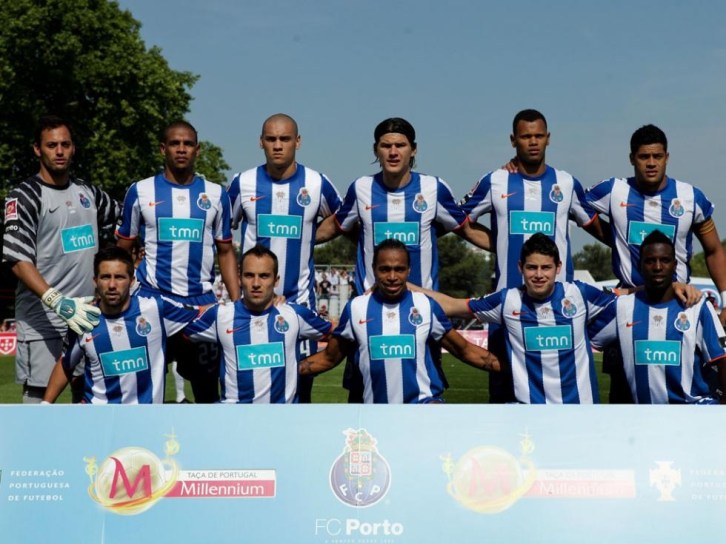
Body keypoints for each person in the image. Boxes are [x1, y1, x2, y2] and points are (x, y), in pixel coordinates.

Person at [315, 117, 493, 401]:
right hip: (369, 316)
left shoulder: (433, 189)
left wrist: (513, 250)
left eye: (400, 145)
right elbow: (334, 227)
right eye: (386, 145)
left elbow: (467, 229)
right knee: (364, 401)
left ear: (414, 149)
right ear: (376, 150)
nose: (393, 152)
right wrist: (295, 239)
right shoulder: (361, 189)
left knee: (424, 395)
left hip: (421, 316)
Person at [462, 109, 607, 403]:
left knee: (567, 394)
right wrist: (500, 244)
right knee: (505, 398)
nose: (532, 142)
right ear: (513, 140)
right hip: (508, 310)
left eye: (538, 136)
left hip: (561, 310)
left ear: (548, 139)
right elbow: (460, 222)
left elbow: (598, 227)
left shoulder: (566, 184)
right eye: (526, 136)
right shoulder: (496, 181)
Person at [586, 124, 726, 401]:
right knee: (626, 396)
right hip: (629, 306)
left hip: (680, 304)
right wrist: (614, 238)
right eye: (643, 157)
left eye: (657, 156)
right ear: (632, 158)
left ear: (667, 157)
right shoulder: (614, 191)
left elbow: (713, 250)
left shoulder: (690, 198)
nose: (651, 163)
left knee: (689, 387)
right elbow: (573, 205)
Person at [116, 120, 239, 403]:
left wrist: (237, 303)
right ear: (163, 149)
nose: (181, 149)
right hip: (153, 302)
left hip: (201, 307)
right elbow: (123, 249)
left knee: (207, 393)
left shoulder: (216, 194)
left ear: (197, 149)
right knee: (146, 391)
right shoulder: (140, 191)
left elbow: (225, 251)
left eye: (187, 144)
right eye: (174, 143)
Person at [415, 234, 616, 403]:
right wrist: (406, 288)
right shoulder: (507, 301)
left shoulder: (580, 294)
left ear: (558, 267)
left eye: (546, 267)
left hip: (580, 411)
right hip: (528, 415)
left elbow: (623, 305)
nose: (539, 275)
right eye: (532, 267)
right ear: (520, 267)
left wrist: (593, 338)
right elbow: (452, 305)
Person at [2, 115, 119, 403]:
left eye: (65, 145)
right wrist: (58, 302)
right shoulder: (24, 196)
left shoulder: (88, 193)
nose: (59, 151)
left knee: (89, 398)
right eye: (51, 145)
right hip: (44, 320)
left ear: (73, 148)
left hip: (88, 316)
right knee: (40, 403)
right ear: (37, 149)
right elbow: (17, 259)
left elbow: (126, 220)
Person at [226, 113, 342, 402]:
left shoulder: (316, 183)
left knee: (301, 388)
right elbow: (223, 234)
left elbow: (342, 219)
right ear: (261, 142)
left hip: (299, 304)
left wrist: (308, 237)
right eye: (271, 139)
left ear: (297, 142)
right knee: (248, 384)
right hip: (252, 308)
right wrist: (235, 296)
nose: (278, 145)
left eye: (285, 139)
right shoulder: (243, 182)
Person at [299, 240, 499, 404]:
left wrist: (509, 368)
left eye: (399, 269)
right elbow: (329, 357)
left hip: (423, 408)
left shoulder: (426, 306)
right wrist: (287, 369)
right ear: (374, 270)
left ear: (409, 271)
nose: (392, 276)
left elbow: (464, 350)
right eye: (385, 269)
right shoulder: (356, 308)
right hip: (375, 413)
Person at [42, 247, 204, 404]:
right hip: (99, 416)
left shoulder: (156, 308)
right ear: (95, 281)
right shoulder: (84, 319)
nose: (112, 285)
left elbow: (202, 313)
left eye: (119, 277)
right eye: (105, 277)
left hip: (147, 418)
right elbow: (65, 364)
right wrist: (45, 406)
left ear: (132, 281)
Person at [590, 231, 726, 404]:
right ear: (639, 266)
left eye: (665, 260)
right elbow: (585, 343)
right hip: (644, 415)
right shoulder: (622, 307)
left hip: (692, 412)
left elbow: (722, 359)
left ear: (674, 265)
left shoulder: (696, 306)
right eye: (650, 261)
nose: (657, 267)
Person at [184, 245, 332, 403]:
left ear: (276, 280)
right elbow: (179, 335)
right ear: (239, 278)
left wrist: (306, 365)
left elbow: (338, 335)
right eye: (249, 275)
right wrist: (199, 372)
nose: (256, 283)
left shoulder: (295, 314)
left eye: (264, 276)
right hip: (234, 416)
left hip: (283, 416)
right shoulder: (220, 315)